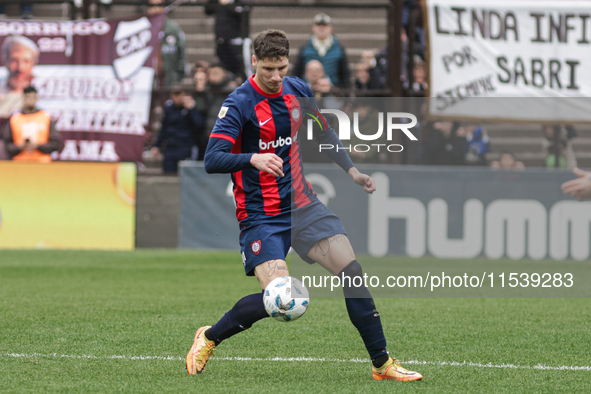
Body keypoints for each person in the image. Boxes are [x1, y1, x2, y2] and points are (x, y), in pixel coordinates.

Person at [187, 29, 423, 382]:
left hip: (303, 205)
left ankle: (382, 364)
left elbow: (324, 130)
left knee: (353, 273)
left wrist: (353, 171)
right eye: (268, 68)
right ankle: (209, 336)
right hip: (262, 215)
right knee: (280, 299)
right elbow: (212, 158)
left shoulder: (297, 90)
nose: (275, 76)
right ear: (254, 61)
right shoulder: (239, 104)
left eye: (281, 67)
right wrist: (253, 158)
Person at [151, 85, 204, 174]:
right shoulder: (169, 109)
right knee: (168, 174)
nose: (176, 98)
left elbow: (199, 124)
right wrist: (157, 145)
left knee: (185, 174)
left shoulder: (191, 109)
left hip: (185, 147)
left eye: (179, 94)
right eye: (174, 95)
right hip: (170, 147)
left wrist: (191, 110)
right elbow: (164, 128)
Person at [3, 86, 61, 162]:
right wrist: (19, 147)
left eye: (33, 97)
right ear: (23, 98)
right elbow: (7, 145)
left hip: (42, 162)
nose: (30, 100)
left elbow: (56, 143)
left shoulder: (45, 117)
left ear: (36, 98)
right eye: (27, 97)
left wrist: (37, 146)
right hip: (19, 163)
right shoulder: (14, 118)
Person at [293, 13, 351, 89]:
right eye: (318, 25)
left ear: (330, 28)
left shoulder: (339, 49)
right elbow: (297, 72)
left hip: (332, 91)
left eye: (325, 25)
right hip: (308, 91)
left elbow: (345, 74)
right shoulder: (304, 48)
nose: (321, 28)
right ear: (313, 27)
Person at [205, 0, 253, 81]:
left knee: (245, 69)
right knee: (224, 71)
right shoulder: (217, 2)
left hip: (238, 41)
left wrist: (227, 4)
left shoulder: (240, 3)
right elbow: (208, 10)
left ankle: (252, 90)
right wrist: (221, 4)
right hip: (222, 41)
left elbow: (243, 11)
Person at [147, 0, 187, 89]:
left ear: (163, 7)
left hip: (169, 79)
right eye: (152, 5)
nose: (155, 9)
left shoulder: (173, 28)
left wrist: (177, 78)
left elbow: (182, 54)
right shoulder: (142, 28)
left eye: (159, 5)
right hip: (147, 81)